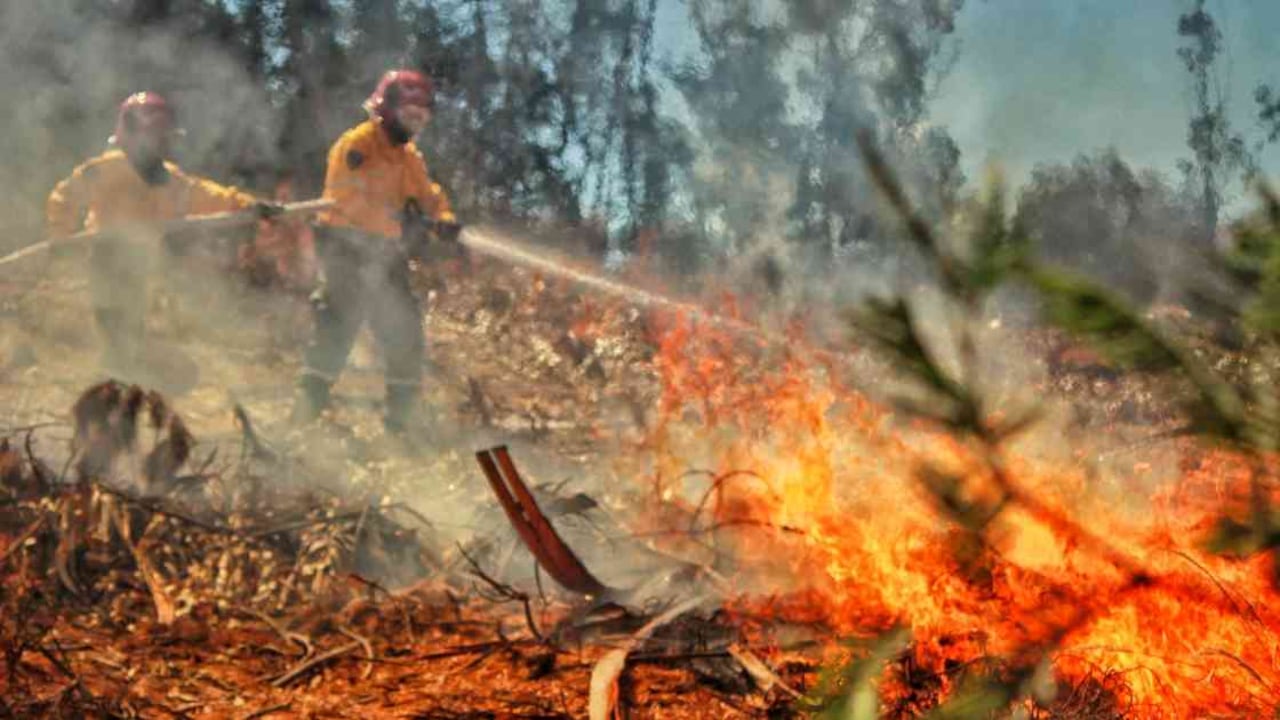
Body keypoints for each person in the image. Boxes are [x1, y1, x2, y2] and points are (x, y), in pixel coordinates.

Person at [46, 91, 279, 379]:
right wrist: (62, 234)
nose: (161, 142)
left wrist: (250, 205)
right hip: (107, 259)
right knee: (114, 323)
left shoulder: (170, 178)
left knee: (132, 322)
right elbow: (65, 197)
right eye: (156, 134)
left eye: (164, 136)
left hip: (143, 262)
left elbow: (207, 195)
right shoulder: (106, 169)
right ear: (131, 132)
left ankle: (120, 378)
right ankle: (114, 380)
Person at [291, 69, 459, 435]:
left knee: (404, 334)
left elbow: (430, 198)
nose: (416, 120)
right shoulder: (359, 143)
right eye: (408, 112)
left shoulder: (410, 157)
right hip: (346, 248)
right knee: (337, 329)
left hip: (386, 255)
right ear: (386, 109)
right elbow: (346, 196)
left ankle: (401, 426)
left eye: (422, 113)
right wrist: (401, 220)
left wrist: (443, 219)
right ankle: (302, 419)